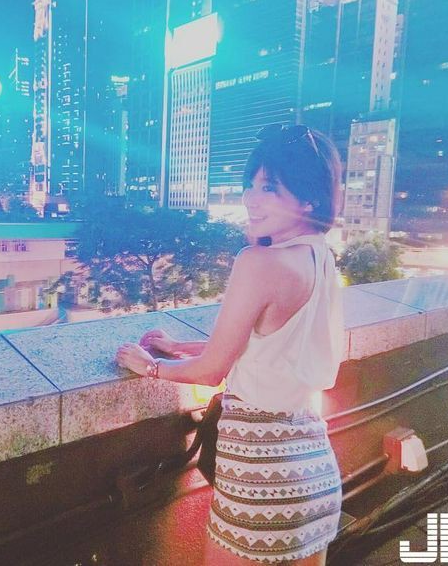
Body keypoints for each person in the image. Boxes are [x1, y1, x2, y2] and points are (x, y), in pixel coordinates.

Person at [115, 125, 345, 565]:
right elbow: (265, 342)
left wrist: (149, 366)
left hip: (260, 475)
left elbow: (211, 372)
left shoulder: (259, 261)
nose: (251, 199)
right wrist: (182, 346)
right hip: (314, 470)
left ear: (309, 200)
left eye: (270, 188)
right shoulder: (319, 256)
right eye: (250, 185)